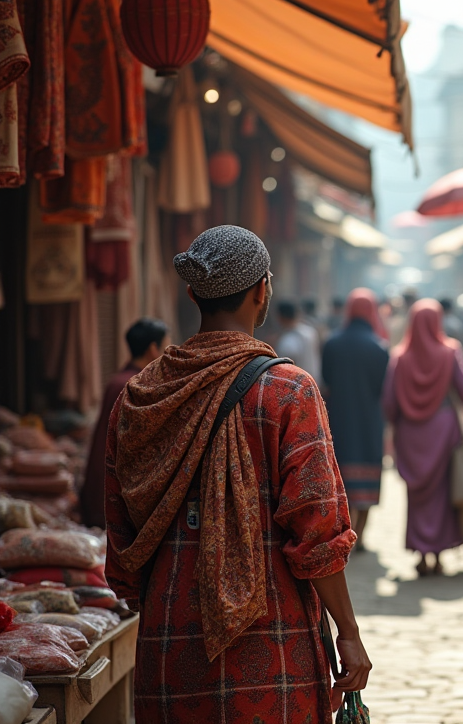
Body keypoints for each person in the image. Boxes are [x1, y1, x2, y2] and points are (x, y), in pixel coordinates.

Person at [104, 225, 368, 722]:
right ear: (261, 290)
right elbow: (319, 528)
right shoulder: (289, 391)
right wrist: (348, 633)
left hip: (169, 636)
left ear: (191, 293)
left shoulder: (140, 396)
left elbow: (120, 532)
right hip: (272, 635)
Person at [384, 299, 463, 576]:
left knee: (417, 495)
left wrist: (396, 427)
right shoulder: (450, 352)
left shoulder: (399, 357)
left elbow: (389, 403)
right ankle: (438, 554)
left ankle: (421, 552)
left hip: (411, 434)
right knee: (441, 492)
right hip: (444, 429)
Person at [80, 318, 168, 529]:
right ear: (154, 348)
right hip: (116, 488)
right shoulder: (136, 385)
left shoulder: (120, 380)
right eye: (166, 346)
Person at [322, 288, 390, 546]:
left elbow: (327, 379)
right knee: (368, 470)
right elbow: (382, 387)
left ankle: (342, 531)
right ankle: (360, 532)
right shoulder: (379, 347)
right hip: (369, 419)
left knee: (339, 470)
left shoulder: (332, 343)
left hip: (338, 416)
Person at [274, 300, 322, 379]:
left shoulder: (287, 341)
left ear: (281, 317)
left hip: (297, 384)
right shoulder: (310, 332)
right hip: (313, 382)